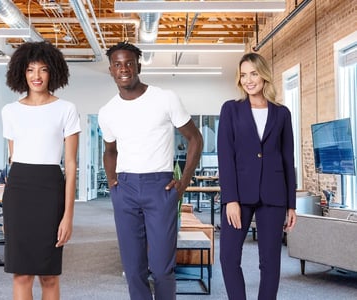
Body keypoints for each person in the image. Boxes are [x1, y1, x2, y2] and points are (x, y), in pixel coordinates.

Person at [98, 41, 203, 300]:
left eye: (129, 63)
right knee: (133, 269)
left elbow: (195, 139)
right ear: (111, 70)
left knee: (161, 268)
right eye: (118, 65)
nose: (124, 69)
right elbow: (110, 151)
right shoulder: (107, 111)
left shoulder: (165, 98)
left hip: (160, 187)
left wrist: (183, 182)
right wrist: (113, 184)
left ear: (138, 65)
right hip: (125, 189)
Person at [1, 41, 80, 300]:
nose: (36, 76)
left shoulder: (66, 109)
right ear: (21, 73)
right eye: (30, 69)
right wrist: (7, 213)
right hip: (19, 191)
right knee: (21, 274)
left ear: (53, 73)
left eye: (43, 70)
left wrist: (68, 215)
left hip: (50, 190)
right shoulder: (10, 111)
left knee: (49, 275)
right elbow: (15, 159)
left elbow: (70, 165)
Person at [217, 52, 297, 300]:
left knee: (270, 261)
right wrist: (230, 198)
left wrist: (291, 204)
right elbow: (225, 156)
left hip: (274, 195)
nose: (248, 80)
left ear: (264, 75)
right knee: (229, 256)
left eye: (253, 73)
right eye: (243, 75)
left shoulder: (281, 113)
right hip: (239, 195)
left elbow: (287, 159)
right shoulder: (231, 109)